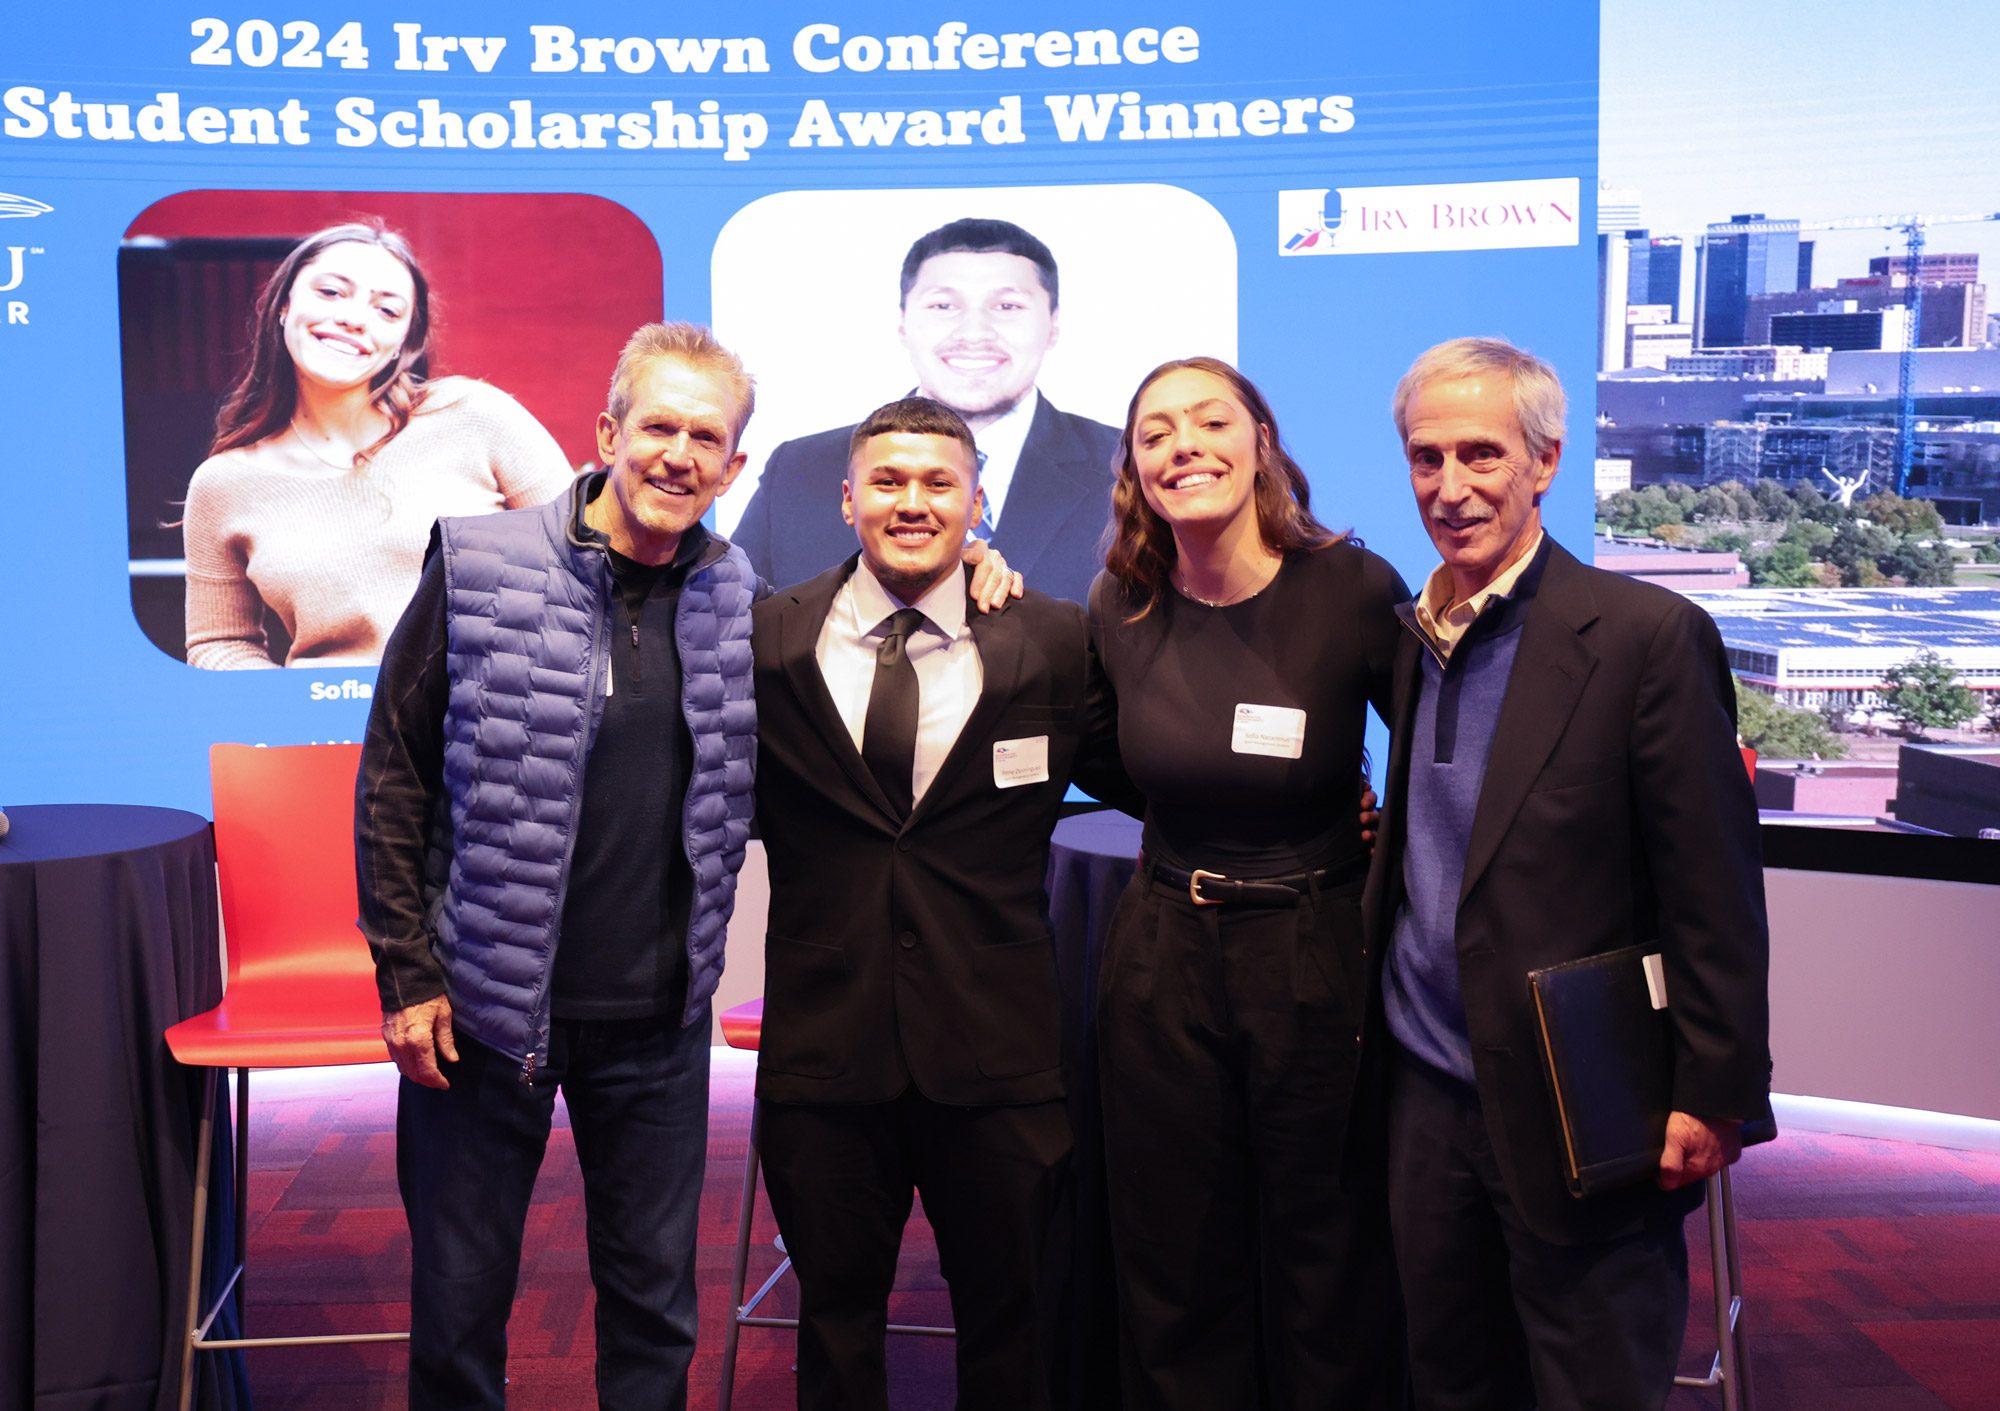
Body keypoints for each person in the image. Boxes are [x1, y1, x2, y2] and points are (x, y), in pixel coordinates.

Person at [354, 323, 759, 1409]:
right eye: (658, 425)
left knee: (652, 1314)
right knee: (458, 1307)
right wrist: (406, 974)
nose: (677, 454)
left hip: (657, 1025)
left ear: (735, 466)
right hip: (481, 1020)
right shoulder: (480, 566)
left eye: (704, 436)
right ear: (607, 432)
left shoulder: (738, 594)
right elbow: (394, 772)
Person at [1367, 337, 1770, 1411]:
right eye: (1423, 458)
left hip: (1584, 1093)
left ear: (1542, 462)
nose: (1448, 489)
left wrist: (1713, 1089)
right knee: (1446, 1378)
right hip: (1425, 1092)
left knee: (1589, 1382)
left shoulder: (1644, 638)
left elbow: (1712, 886)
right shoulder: (1415, 637)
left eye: (1478, 455)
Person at [750, 396, 1138, 1411]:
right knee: (834, 1323)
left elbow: (1150, 774)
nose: (911, 503)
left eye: (937, 483)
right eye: (886, 481)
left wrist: (1326, 805)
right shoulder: (764, 639)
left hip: (999, 1050)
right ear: (845, 500)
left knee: (1012, 1321)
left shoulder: (1049, 639)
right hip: (826, 1050)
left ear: (976, 503)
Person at [1087, 357, 1409, 1410]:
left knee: (1323, 1243)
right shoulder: (1118, 601)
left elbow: (1444, 753)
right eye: (1154, 432)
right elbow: (1105, 756)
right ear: (1133, 468)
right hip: (1161, 953)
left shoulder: (1352, 588)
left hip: (1312, 950)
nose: (1183, 444)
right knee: (1173, 1248)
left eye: (1210, 421)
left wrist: (1373, 825)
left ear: (1259, 440)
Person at [182, 221, 574, 668]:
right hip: (331, 731)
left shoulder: (473, 415)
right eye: (330, 292)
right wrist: (299, 702)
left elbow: (589, 558)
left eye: (386, 311)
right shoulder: (224, 482)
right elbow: (218, 644)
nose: (353, 318)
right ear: (284, 306)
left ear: (401, 344)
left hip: (487, 719)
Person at [734, 217, 1120, 604]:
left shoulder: (1124, 467)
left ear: (1052, 324)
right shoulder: (801, 469)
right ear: (903, 322)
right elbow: (736, 626)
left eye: (1007, 305)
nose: (974, 333)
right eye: (943, 305)